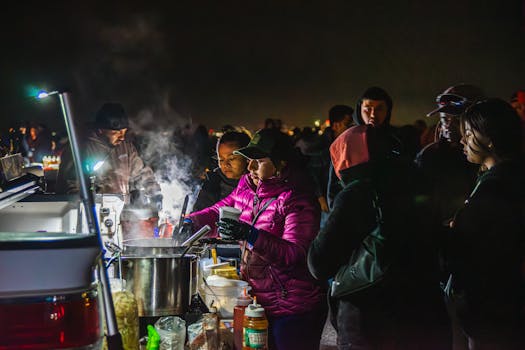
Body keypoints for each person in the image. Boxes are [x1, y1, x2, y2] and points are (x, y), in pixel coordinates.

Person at [308, 125, 450, 350]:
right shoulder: (420, 181)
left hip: (371, 322)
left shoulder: (357, 194)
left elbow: (319, 263)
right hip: (426, 313)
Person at [186, 128, 327, 350]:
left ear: (280, 163)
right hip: (258, 302)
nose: (250, 167)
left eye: (258, 161)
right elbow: (218, 211)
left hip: (292, 307)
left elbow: (294, 254)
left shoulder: (297, 198)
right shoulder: (248, 186)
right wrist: (191, 223)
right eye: (249, 160)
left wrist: (250, 235)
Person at [445, 98, 525, 349]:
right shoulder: (512, 174)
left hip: (491, 309)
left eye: (468, 134)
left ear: (490, 138)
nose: (462, 141)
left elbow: (474, 247)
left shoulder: (496, 184)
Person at [56, 102, 162, 208]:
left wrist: (155, 193)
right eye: (116, 133)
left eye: (124, 132)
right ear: (101, 130)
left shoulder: (126, 147)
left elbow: (141, 174)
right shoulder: (81, 147)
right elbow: (71, 185)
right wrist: (85, 207)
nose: (122, 137)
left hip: (121, 213)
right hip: (95, 212)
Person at [192, 130, 250, 212]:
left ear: (247, 157)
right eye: (221, 159)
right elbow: (200, 211)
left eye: (231, 158)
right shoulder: (213, 182)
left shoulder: (255, 183)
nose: (226, 164)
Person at [325, 105, 354, 210]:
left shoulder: (347, 145)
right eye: (348, 124)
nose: (352, 128)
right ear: (335, 126)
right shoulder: (323, 149)